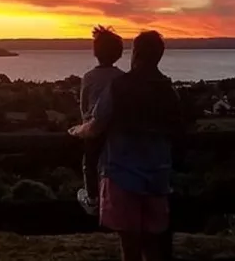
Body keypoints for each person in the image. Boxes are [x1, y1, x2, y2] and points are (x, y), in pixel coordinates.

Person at [69, 30, 183, 261]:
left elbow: (97, 124)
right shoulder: (168, 92)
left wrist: (76, 131)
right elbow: (177, 130)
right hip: (158, 176)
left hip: (122, 173)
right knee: (153, 245)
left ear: (136, 54)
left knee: (129, 246)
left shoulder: (120, 87)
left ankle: (90, 199)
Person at [77, 25, 125, 215]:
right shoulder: (122, 77)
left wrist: (84, 126)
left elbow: (83, 106)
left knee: (89, 163)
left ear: (96, 52)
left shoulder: (89, 77)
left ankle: (92, 198)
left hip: (93, 129)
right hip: (116, 130)